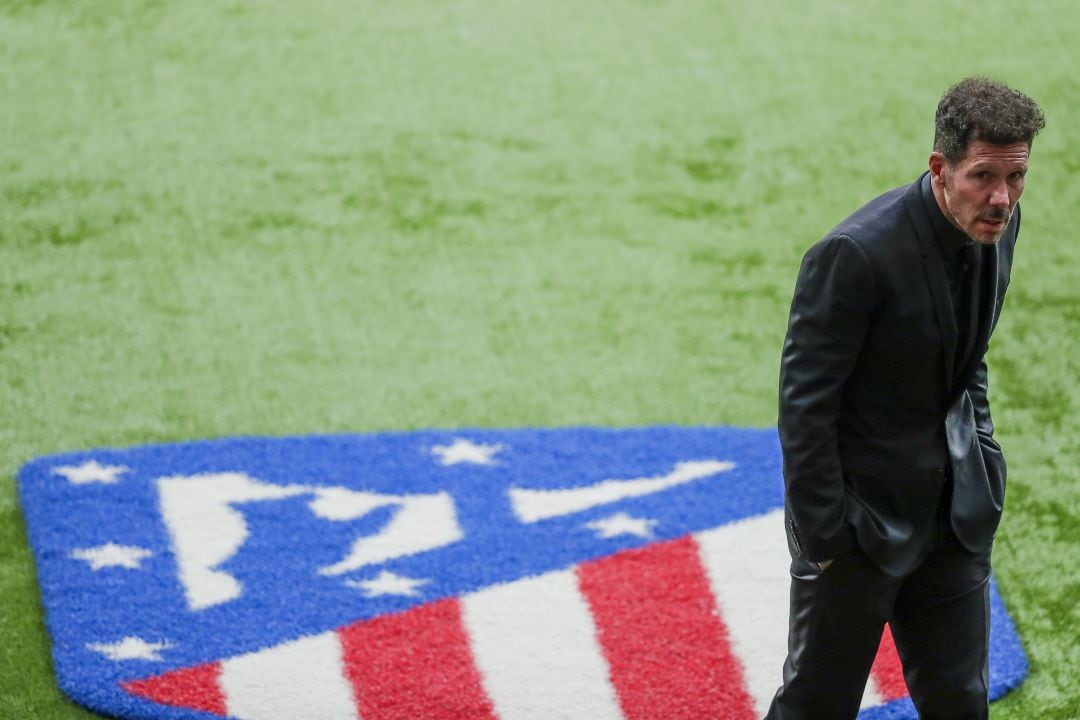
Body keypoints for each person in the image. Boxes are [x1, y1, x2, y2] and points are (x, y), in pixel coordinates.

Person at [767, 77, 1045, 719]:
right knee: (816, 705)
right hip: (858, 530)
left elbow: (966, 358)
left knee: (960, 703)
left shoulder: (998, 226)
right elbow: (805, 407)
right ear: (940, 168)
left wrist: (985, 458)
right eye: (983, 176)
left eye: (1016, 177)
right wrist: (825, 536)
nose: (1001, 199)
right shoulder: (854, 254)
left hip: (954, 522)